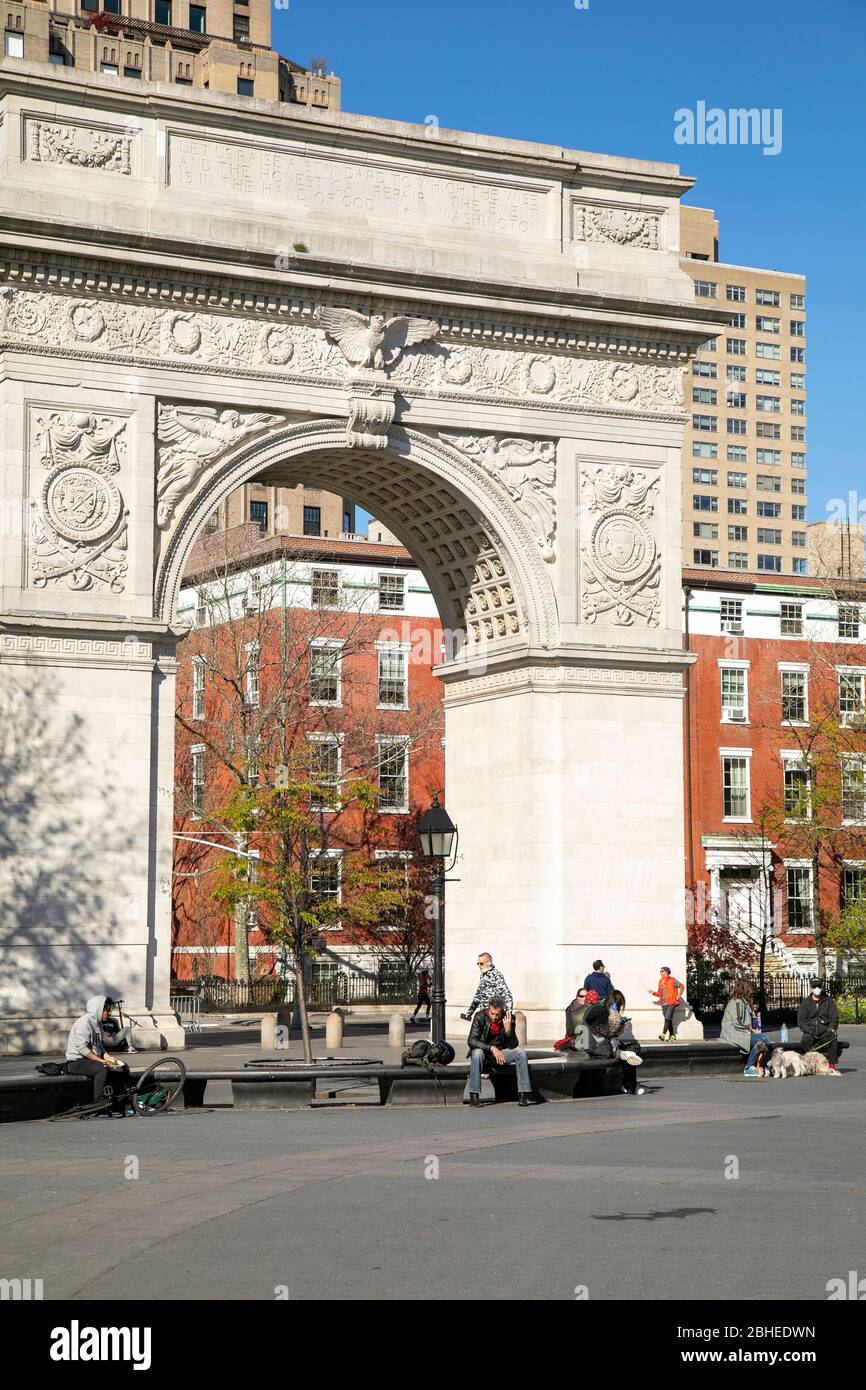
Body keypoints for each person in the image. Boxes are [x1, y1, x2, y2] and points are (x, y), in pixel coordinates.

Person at [466, 998, 539, 1107]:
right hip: (484, 1053)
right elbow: (472, 1040)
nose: (494, 1017)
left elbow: (513, 1045)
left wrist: (508, 1031)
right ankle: (474, 1096)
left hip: (501, 1053)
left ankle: (523, 1094)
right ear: (488, 1009)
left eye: (497, 1014)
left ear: (502, 1012)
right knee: (476, 1053)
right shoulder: (480, 1016)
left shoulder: (509, 1018)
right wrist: (491, 1048)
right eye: (492, 1013)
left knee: (521, 1053)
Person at [65, 995, 131, 1105]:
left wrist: (108, 1058)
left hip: (91, 1060)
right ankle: (98, 1099)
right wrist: (101, 1061)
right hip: (76, 1061)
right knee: (102, 1068)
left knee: (122, 1066)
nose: (109, 1013)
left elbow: (99, 1046)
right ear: (98, 1009)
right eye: (107, 1010)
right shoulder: (84, 1023)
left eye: (110, 1010)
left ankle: (121, 1095)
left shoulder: (97, 1024)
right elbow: (82, 1049)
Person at [584, 989, 646, 1095]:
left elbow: (612, 1034)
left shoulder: (608, 1011)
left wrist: (619, 1023)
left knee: (634, 1047)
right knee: (626, 1054)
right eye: (619, 1005)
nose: (619, 1008)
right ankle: (630, 1085)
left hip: (606, 1043)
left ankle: (628, 1083)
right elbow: (602, 1032)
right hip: (596, 1045)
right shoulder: (600, 1009)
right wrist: (615, 1022)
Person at [720, 981, 769, 1076]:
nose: (751, 994)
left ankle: (751, 1066)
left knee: (763, 1040)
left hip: (739, 1033)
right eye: (749, 992)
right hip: (733, 1034)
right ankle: (749, 1067)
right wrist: (752, 1030)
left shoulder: (741, 1002)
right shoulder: (737, 1002)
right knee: (763, 1039)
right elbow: (738, 1022)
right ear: (745, 991)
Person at [797, 979, 840, 1070]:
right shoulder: (805, 1003)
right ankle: (810, 1064)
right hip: (810, 1029)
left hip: (825, 1029)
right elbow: (801, 1021)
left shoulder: (829, 1001)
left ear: (822, 987)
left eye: (819, 986)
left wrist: (831, 1028)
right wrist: (807, 1029)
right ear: (811, 988)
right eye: (814, 986)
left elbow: (834, 1017)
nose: (817, 988)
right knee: (806, 1039)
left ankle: (831, 1064)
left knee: (832, 1038)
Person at [459, 953, 513, 1021]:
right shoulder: (484, 975)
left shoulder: (496, 975)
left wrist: (508, 1015)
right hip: (484, 1014)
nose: (479, 966)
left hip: (493, 1015)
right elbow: (478, 995)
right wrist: (470, 1012)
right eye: (477, 963)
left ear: (489, 963)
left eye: (481, 963)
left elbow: (507, 995)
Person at [651, 966, 684, 1041]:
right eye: (660, 971)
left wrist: (679, 995)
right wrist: (652, 993)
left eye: (662, 971)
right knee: (668, 1019)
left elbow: (682, 986)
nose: (660, 973)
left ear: (666, 972)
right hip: (663, 1003)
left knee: (667, 1018)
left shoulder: (672, 980)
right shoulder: (660, 981)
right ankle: (672, 1035)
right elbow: (659, 993)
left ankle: (663, 1034)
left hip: (672, 1002)